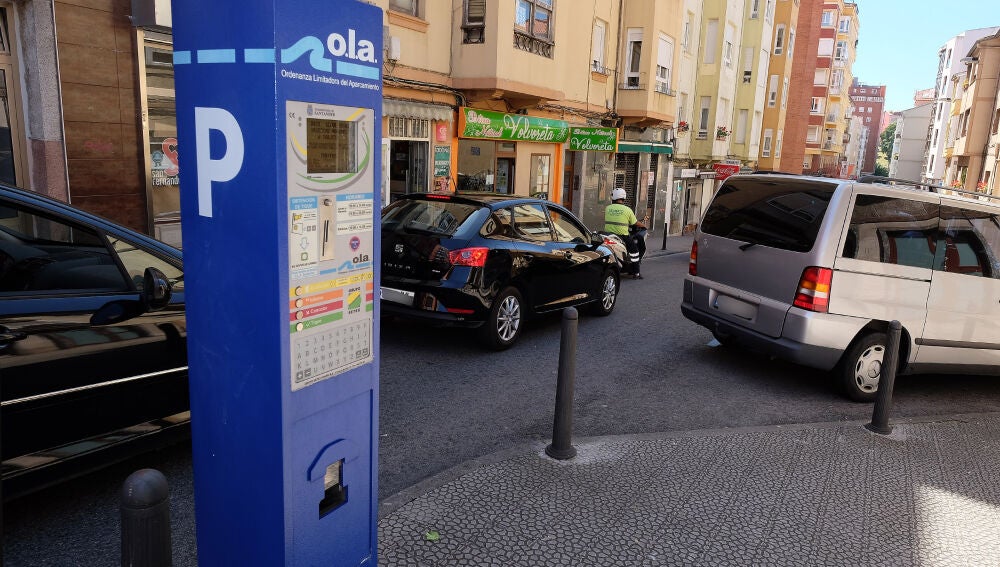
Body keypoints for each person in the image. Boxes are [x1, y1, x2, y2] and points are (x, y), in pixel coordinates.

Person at [604, 188, 647, 279]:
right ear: (623, 197)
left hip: (608, 235)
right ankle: (636, 273)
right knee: (634, 251)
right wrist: (644, 226)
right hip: (622, 236)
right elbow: (635, 222)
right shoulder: (627, 210)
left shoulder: (608, 208)